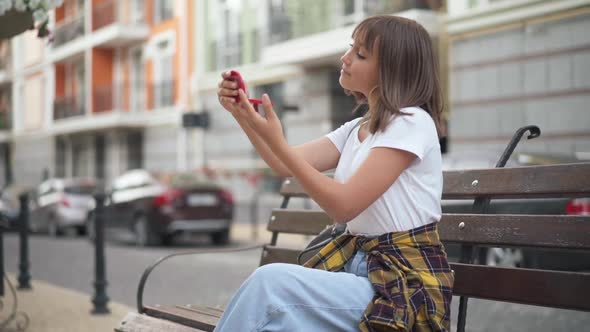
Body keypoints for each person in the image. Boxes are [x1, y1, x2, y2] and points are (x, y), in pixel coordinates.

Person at [214, 15, 453, 332]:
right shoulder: (359, 127)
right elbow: (282, 163)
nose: (346, 58)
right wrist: (243, 113)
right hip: (359, 273)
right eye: (350, 48)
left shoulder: (411, 122)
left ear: (391, 70)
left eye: (361, 54)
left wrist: (276, 140)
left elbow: (343, 205)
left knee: (269, 284)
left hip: (403, 285)